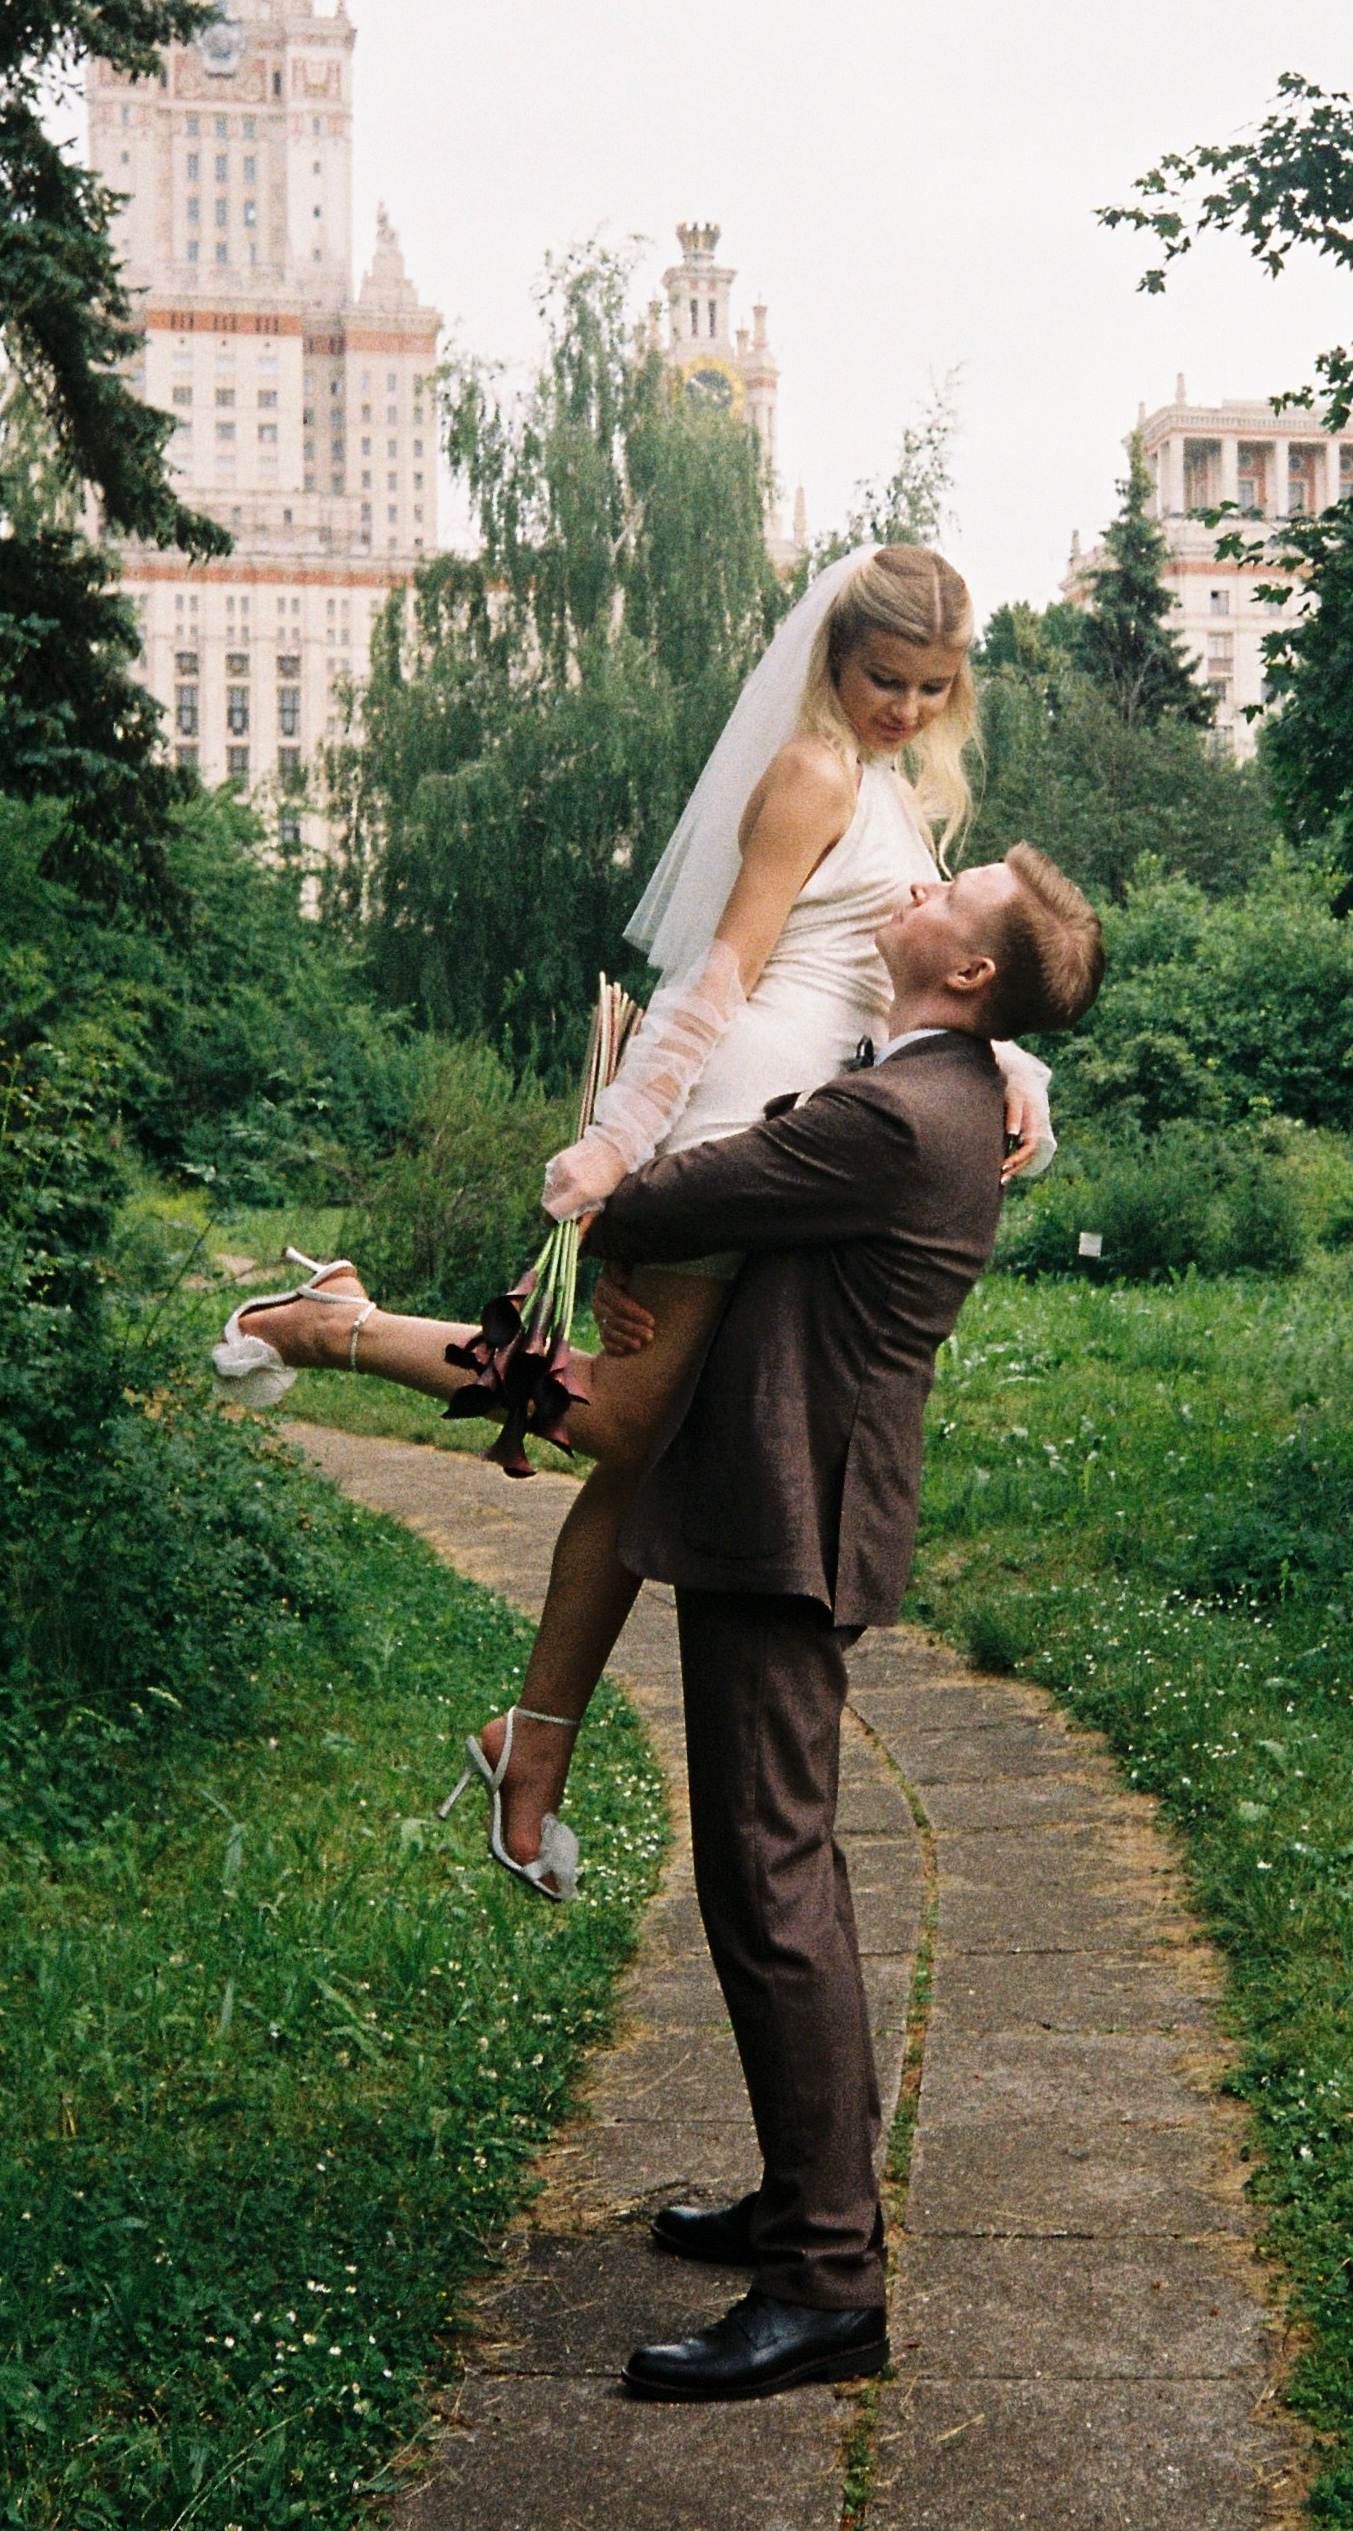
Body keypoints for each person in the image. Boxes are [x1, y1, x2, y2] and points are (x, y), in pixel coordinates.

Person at [213, 546, 1059, 1892]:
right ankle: (338, 1325)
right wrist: (622, 1136)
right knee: (614, 1416)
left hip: (794, 1134)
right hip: (729, 1121)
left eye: (929, 685)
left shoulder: (895, 786)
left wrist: (1011, 1071)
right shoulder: (814, 770)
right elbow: (726, 962)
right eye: (881, 676)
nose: (901, 703)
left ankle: (531, 1749)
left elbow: (894, 983)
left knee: (640, 1453)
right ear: (833, 655)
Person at [596, 840, 1106, 2399]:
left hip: (786, 1518)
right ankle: (796, 2197)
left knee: (772, 1883)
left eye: (954, 889)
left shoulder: (896, 1112)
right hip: (792, 1506)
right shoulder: (929, 1087)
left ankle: (826, 2280)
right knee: (779, 1873)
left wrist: (622, 1099)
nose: (920, 880)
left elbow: (657, 1198)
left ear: (968, 973)